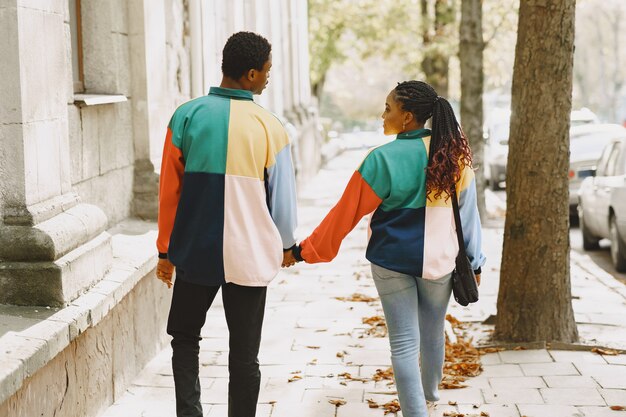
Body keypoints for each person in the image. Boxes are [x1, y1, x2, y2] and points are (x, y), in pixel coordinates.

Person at [285, 80, 485, 417]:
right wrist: (475, 263)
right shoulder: (455, 160)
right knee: (433, 331)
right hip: (440, 261)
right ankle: (430, 396)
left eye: (388, 109)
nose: (383, 115)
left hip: (392, 262)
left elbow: (344, 214)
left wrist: (305, 250)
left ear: (407, 117)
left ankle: (416, 412)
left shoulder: (381, 159)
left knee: (404, 343)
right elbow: (469, 219)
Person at [156, 31, 297, 417]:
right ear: (251, 74)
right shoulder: (272, 127)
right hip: (249, 255)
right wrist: (286, 246)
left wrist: (165, 251)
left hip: (194, 252)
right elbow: (282, 202)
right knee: (245, 354)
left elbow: (169, 192)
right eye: (267, 70)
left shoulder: (186, 116)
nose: (269, 76)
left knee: (185, 339)